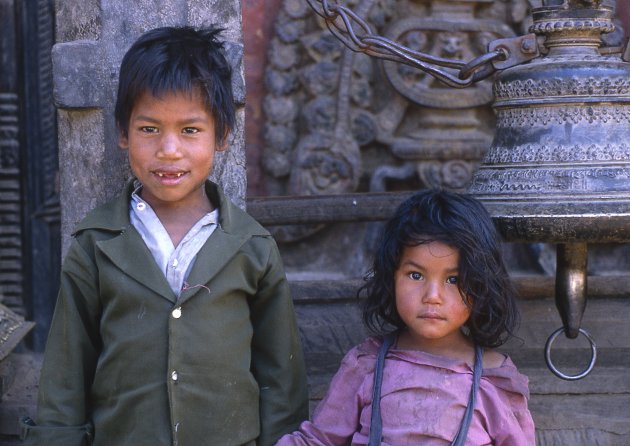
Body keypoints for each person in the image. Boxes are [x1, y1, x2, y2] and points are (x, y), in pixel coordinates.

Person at [21, 26, 308, 446]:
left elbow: (281, 379)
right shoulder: (97, 243)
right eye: (149, 129)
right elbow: (67, 373)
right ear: (123, 133)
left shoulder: (251, 247)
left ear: (223, 135)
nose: (169, 149)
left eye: (190, 130)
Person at [276, 189, 535, 445]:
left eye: (453, 279)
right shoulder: (367, 365)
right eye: (416, 275)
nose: (432, 296)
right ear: (392, 276)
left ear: (482, 285)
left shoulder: (494, 381)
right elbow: (318, 440)